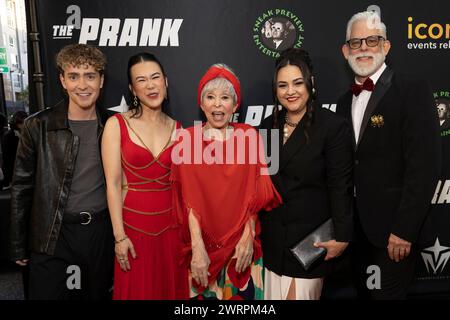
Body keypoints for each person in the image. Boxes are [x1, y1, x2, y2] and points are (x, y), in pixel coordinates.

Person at [336, 11, 441, 299]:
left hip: (394, 234)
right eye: (356, 42)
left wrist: (405, 230)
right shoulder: (345, 102)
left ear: (387, 46)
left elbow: (425, 166)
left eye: (373, 40)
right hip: (357, 234)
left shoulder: (411, 89)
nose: (365, 48)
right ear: (346, 50)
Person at [9, 43, 114, 300]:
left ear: (101, 81)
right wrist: (17, 244)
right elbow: (22, 187)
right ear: (62, 81)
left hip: (100, 234)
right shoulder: (37, 125)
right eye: (74, 76)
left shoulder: (114, 125)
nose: (82, 85)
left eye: (90, 76)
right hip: (53, 235)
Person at [171, 64, 281, 300]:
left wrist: (247, 237)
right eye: (210, 97)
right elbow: (187, 200)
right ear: (201, 104)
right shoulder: (186, 139)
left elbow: (257, 195)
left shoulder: (250, 136)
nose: (217, 104)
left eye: (225, 97)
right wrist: (198, 247)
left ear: (235, 104)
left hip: (241, 248)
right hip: (201, 249)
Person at [259, 48, 354, 300]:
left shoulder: (332, 127)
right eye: (282, 85)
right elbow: (264, 184)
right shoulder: (268, 126)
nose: (290, 91)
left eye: (297, 83)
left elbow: (340, 185)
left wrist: (342, 236)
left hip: (309, 245)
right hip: (272, 244)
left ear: (311, 83)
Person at [102, 52, 188, 299]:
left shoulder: (179, 129)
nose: (150, 85)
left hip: (172, 230)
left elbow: (186, 187)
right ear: (132, 88)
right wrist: (119, 238)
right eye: (141, 80)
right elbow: (113, 185)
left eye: (155, 77)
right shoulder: (116, 125)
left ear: (166, 82)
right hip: (133, 231)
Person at [2, 110, 28, 188]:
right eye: (20, 123)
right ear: (16, 123)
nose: (23, 125)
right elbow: (7, 159)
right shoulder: (8, 136)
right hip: (14, 169)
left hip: (25, 168)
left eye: (24, 123)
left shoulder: (27, 134)